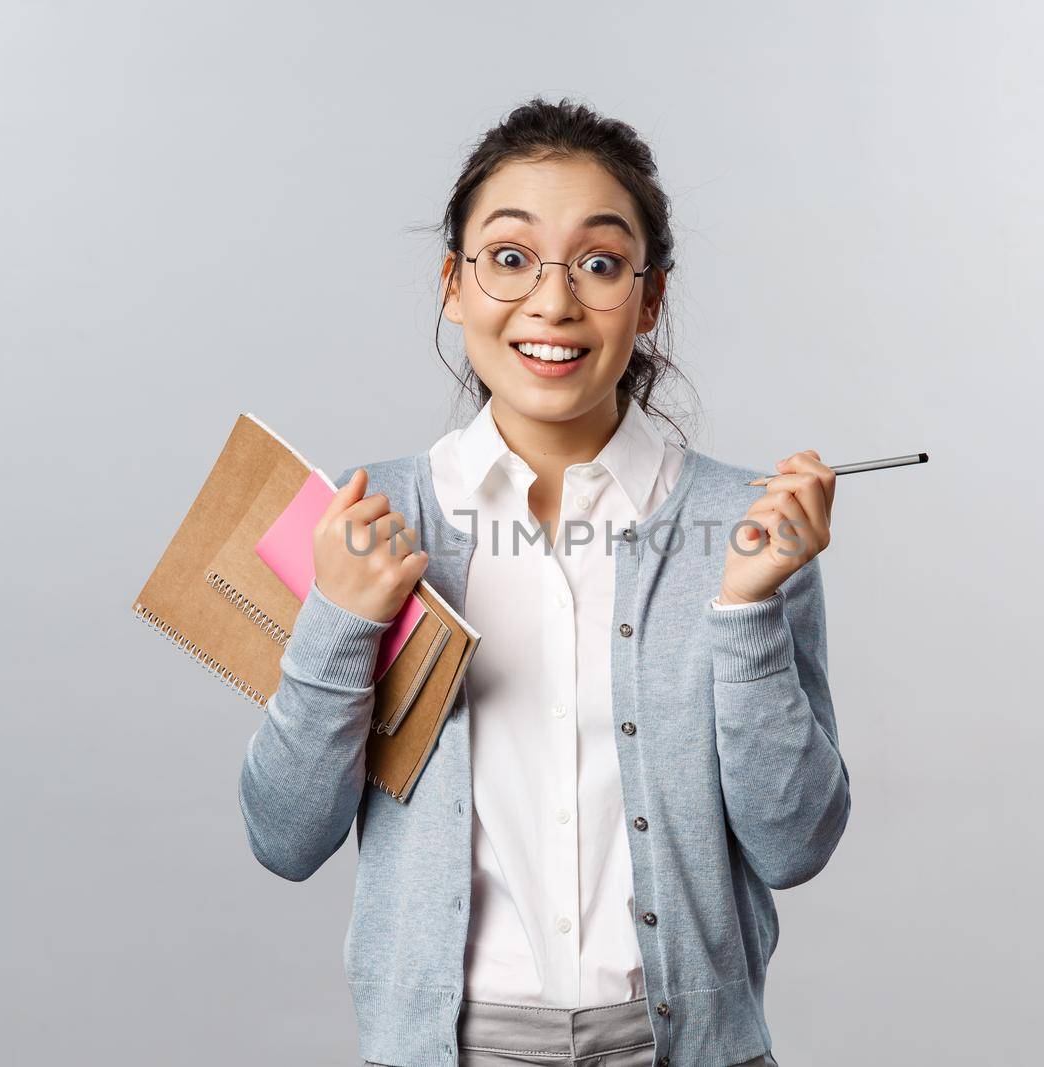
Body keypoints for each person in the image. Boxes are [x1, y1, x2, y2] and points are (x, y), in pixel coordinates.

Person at [239, 96, 851, 1067]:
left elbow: (795, 843)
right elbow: (283, 834)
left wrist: (743, 608)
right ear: (453, 283)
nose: (554, 302)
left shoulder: (747, 524)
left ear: (648, 300)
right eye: (510, 256)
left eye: (600, 263)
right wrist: (341, 622)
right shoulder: (361, 522)